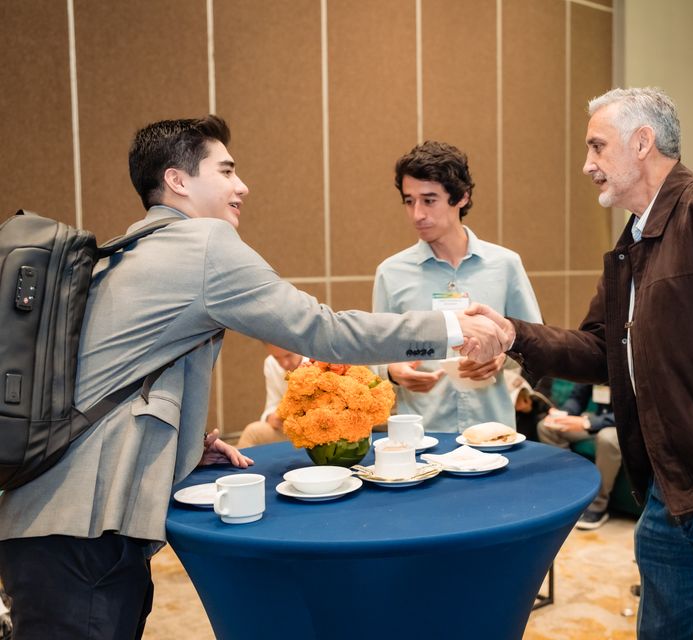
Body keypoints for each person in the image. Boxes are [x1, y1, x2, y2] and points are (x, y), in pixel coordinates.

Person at [0, 116, 508, 639]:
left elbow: (115, 375)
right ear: (178, 181)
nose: (241, 185)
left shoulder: (131, 247)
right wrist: (452, 328)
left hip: (55, 520)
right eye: (225, 171)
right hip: (80, 531)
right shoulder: (202, 244)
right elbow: (323, 330)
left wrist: (182, 447)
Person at [468, 87, 693, 638]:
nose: (587, 165)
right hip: (670, 492)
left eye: (597, 146)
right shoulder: (633, 244)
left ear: (642, 142)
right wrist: (514, 334)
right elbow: (601, 350)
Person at [373, 141, 542, 432]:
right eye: (409, 201)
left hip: (492, 433)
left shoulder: (505, 265)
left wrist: (501, 358)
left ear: (462, 197)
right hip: (422, 436)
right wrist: (392, 371)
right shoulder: (391, 273)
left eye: (429, 200)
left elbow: (535, 344)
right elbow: (375, 351)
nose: (417, 214)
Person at [537, 382, 620, 530]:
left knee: (607, 438)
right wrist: (564, 414)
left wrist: (589, 422)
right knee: (546, 427)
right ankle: (569, 491)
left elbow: (633, 413)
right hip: (598, 420)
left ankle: (597, 506)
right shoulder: (595, 368)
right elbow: (577, 398)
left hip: (625, 426)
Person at [236, 344, 307, 448]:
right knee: (251, 432)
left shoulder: (319, 359)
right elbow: (272, 404)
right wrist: (270, 417)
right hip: (290, 428)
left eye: (288, 355)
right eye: (276, 358)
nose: (284, 364)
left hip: (320, 428)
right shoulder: (271, 363)